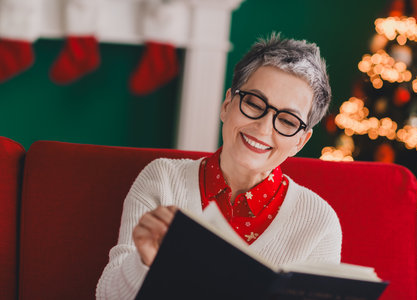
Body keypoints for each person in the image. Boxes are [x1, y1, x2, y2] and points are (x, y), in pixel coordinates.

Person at [96, 33, 342, 299]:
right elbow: (108, 295)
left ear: (300, 142)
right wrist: (143, 263)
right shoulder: (162, 179)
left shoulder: (320, 223)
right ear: (227, 105)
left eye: (288, 121)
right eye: (254, 103)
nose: (262, 128)